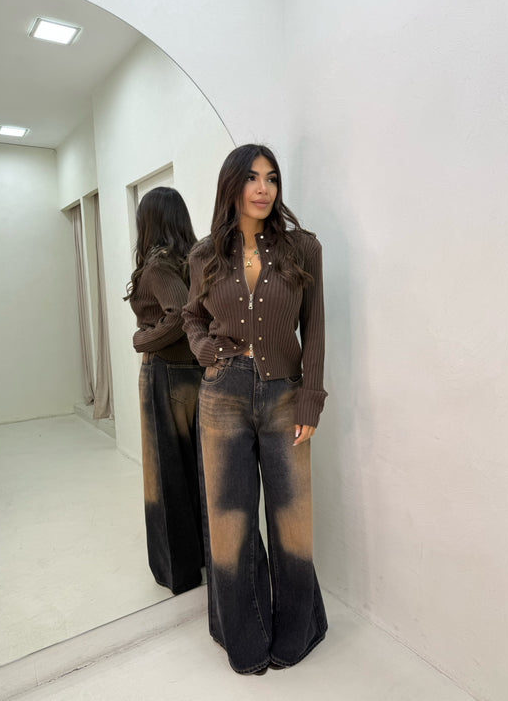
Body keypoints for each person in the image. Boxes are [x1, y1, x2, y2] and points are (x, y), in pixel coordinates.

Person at [182, 144, 328, 674]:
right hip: (222, 394)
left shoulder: (302, 248)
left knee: (292, 521)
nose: (263, 188)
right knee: (230, 523)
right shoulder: (204, 256)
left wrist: (310, 397)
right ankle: (242, 638)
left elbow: (314, 327)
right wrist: (204, 349)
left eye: (272, 178)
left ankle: (299, 631)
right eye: (252, 178)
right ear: (232, 186)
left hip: (285, 394)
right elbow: (191, 316)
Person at [125, 187, 204, 595]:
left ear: (149, 222)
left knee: (165, 475)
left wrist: (143, 340)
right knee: (197, 471)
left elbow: (178, 315)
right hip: (196, 375)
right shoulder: (195, 260)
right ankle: (204, 557)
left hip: (165, 373)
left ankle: (180, 573)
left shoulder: (157, 266)